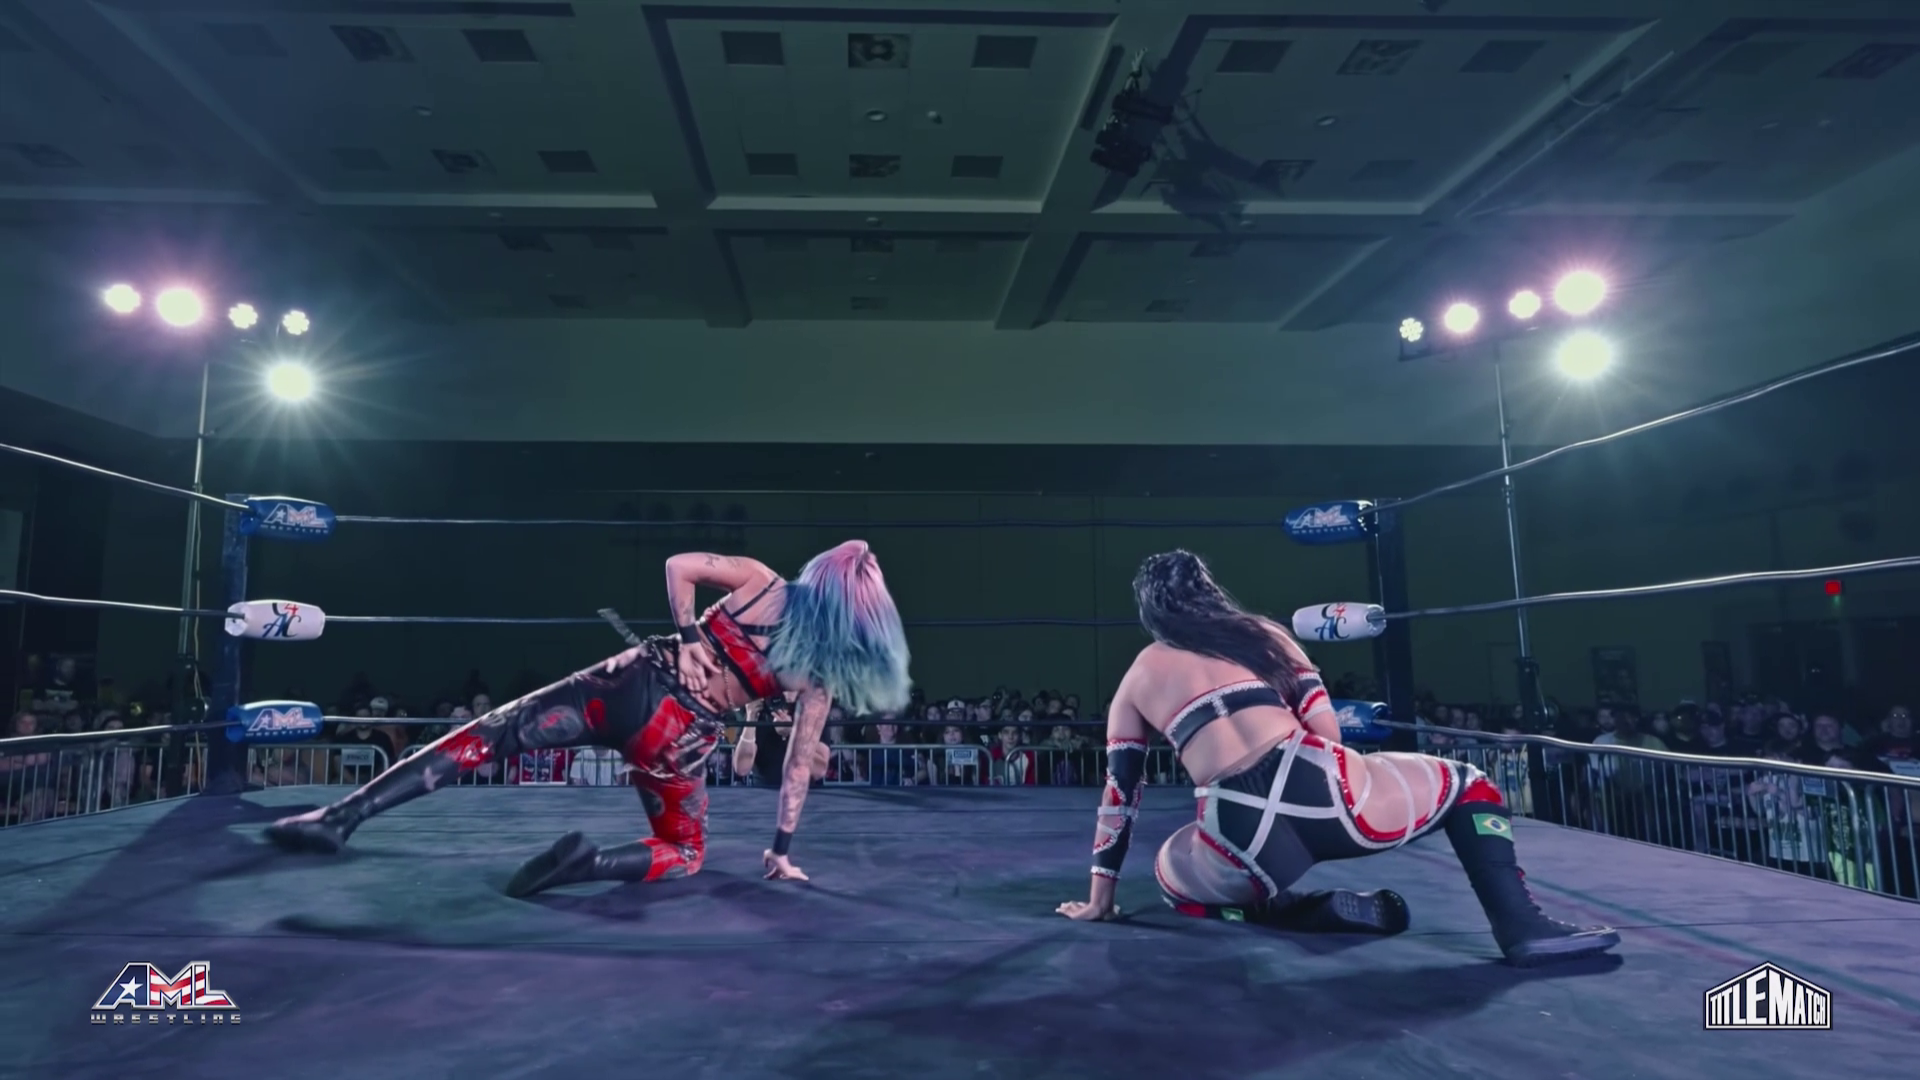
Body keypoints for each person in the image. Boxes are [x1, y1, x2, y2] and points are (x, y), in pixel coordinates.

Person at [1055, 550, 1618, 967]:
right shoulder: (1260, 634)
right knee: (1470, 783)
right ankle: (1521, 926)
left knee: (1173, 869)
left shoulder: (1137, 678)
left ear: (1149, 610)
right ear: (1209, 591)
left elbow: (1120, 797)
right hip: (1330, 793)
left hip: (1241, 838)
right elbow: (1328, 733)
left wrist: (1101, 899)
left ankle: (1287, 908)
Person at [265, 541, 911, 893]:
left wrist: (691, 637)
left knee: (489, 735)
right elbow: (797, 768)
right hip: (677, 737)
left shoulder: (761, 581)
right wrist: (780, 851)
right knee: (685, 852)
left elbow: (678, 564)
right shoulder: (819, 674)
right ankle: (592, 866)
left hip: (629, 681)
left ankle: (339, 817)